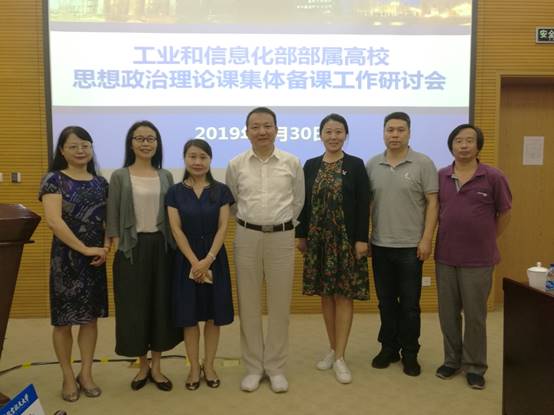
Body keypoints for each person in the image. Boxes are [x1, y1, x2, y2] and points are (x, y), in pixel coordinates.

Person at [225, 107, 304, 393]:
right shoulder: (236, 164)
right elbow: (233, 203)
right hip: (247, 234)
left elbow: (298, 202)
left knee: (280, 305)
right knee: (248, 303)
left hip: (282, 236)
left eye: (267, 126)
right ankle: (253, 368)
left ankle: (275, 367)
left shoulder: (291, 162)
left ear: (276, 129)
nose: (262, 131)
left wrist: (282, 224)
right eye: (255, 126)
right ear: (247, 131)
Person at [434, 124, 511, 389]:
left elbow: (505, 214)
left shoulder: (493, 176)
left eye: (469, 140)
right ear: (451, 146)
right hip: (445, 257)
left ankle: (475, 366)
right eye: (458, 140)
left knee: (475, 316)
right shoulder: (442, 176)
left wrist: (487, 239)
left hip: (479, 260)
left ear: (478, 146)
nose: (464, 145)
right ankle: (452, 361)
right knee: (448, 315)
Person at [106, 121, 181, 392]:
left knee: (161, 306)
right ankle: (142, 366)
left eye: (151, 139)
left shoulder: (166, 176)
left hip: (162, 247)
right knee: (134, 308)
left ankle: (157, 367)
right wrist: (116, 244)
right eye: (140, 138)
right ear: (131, 142)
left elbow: (173, 215)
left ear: (157, 144)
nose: (145, 143)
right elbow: (112, 215)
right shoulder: (119, 176)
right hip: (131, 248)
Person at [296, 114, 370, 384]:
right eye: (328, 131)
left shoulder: (356, 165)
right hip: (318, 241)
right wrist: (301, 235)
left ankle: (340, 356)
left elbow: (363, 204)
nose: (333, 136)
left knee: (343, 295)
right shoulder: (310, 165)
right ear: (320, 135)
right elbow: (303, 202)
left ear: (346, 135)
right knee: (326, 295)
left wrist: (361, 239)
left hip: (346, 240)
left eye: (338, 132)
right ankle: (332, 348)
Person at [366, 111, 438, 376]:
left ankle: (410, 353)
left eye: (400, 130)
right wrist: (366, 237)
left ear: (409, 133)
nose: (394, 135)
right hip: (380, 246)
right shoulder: (372, 164)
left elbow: (433, 203)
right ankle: (388, 348)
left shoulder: (423, 163)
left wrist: (427, 239)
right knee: (386, 302)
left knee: (409, 305)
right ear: (383, 132)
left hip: (411, 247)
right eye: (390, 130)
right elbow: (368, 205)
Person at [39, 126, 108, 402]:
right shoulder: (54, 179)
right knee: (64, 322)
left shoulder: (101, 183)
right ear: (62, 150)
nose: (80, 150)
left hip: (95, 259)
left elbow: (108, 221)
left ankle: (86, 373)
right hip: (66, 259)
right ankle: (68, 375)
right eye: (73, 146)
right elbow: (54, 221)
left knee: (90, 320)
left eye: (85, 145)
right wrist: (85, 249)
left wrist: (105, 248)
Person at [166, 139, 234, 391]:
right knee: (190, 317)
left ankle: (210, 365)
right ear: (185, 159)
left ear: (210, 160)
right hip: (186, 260)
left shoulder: (221, 190)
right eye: (192, 156)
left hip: (215, 258)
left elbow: (223, 227)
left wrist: (208, 260)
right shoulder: (174, 192)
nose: (197, 162)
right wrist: (195, 262)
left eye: (203, 157)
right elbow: (176, 229)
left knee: (214, 317)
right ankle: (194, 367)